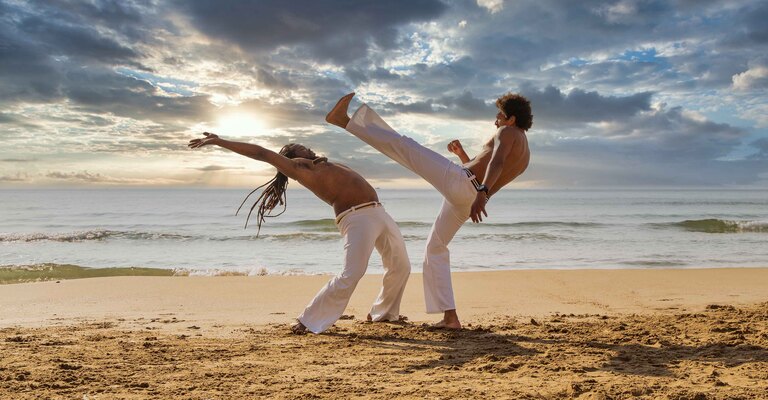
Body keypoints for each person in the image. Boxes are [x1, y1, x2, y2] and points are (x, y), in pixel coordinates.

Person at [326, 92, 531, 329]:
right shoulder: (525, 153)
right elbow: (487, 167)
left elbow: (497, 162)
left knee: (405, 147)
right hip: (468, 197)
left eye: (500, 114)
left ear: (512, 119)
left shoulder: (506, 132)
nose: (496, 118)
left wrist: (482, 194)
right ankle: (450, 318)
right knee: (435, 248)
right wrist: (463, 156)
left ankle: (343, 120)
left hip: (467, 186)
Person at [188, 132, 411, 334]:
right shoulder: (301, 169)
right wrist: (219, 142)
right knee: (351, 274)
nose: (306, 148)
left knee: (401, 266)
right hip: (357, 218)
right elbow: (261, 153)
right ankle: (308, 320)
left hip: (379, 212)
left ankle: (384, 314)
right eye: (300, 147)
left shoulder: (325, 164)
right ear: (293, 157)